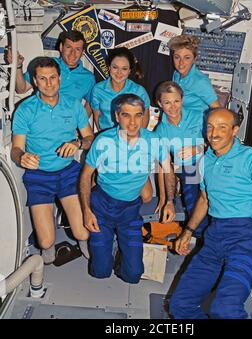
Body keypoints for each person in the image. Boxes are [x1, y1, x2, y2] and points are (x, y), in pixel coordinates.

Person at [169, 108, 252, 319]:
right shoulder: (207, 160)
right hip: (214, 238)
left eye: (222, 127)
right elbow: (204, 198)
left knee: (225, 309)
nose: (214, 133)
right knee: (179, 305)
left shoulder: (250, 158)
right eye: (210, 127)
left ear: (235, 130)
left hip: (244, 239)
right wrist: (188, 231)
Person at [79, 94, 176, 284]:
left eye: (138, 115)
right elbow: (85, 176)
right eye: (126, 115)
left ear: (143, 116)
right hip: (102, 207)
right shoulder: (103, 141)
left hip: (130, 211)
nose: (132, 122)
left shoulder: (153, 141)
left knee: (133, 275)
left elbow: (168, 171)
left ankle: (118, 256)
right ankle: (108, 251)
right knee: (100, 272)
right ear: (117, 116)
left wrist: (170, 201)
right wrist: (86, 211)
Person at [11, 57, 94, 264]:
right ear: (35, 81)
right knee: (46, 242)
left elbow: (90, 138)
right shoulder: (25, 109)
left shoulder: (74, 105)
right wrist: (22, 157)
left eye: (53, 78)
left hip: (68, 172)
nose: (49, 83)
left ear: (60, 79)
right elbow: (16, 149)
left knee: (82, 234)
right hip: (38, 176)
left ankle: (87, 246)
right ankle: (44, 257)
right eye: (43, 78)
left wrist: (77, 143)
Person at [154, 81, 207, 235]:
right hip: (186, 169)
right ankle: (199, 235)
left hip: (207, 162)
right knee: (193, 203)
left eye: (176, 101)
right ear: (160, 104)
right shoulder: (161, 130)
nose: (173, 107)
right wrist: (165, 199)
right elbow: (163, 166)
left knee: (214, 199)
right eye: (167, 102)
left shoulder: (198, 116)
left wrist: (197, 147)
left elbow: (216, 141)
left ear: (182, 100)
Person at [7, 30, 96, 116]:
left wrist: (80, 125)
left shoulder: (88, 77)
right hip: (39, 117)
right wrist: (18, 66)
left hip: (66, 124)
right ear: (61, 47)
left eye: (77, 49)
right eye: (68, 47)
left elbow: (90, 104)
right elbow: (21, 89)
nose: (72, 53)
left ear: (83, 52)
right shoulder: (46, 64)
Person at [91, 47, 150, 132]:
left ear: (129, 70)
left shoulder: (139, 91)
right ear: (109, 67)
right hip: (107, 138)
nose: (119, 72)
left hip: (132, 139)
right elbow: (97, 118)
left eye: (124, 69)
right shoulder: (98, 89)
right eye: (115, 67)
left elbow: (144, 123)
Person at [168, 35, 220, 114]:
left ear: (194, 59)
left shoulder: (200, 81)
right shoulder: (176, 74)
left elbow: (217, 109)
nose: (181, 63)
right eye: (177, 57)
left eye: (187, 58)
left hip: (197, 125)